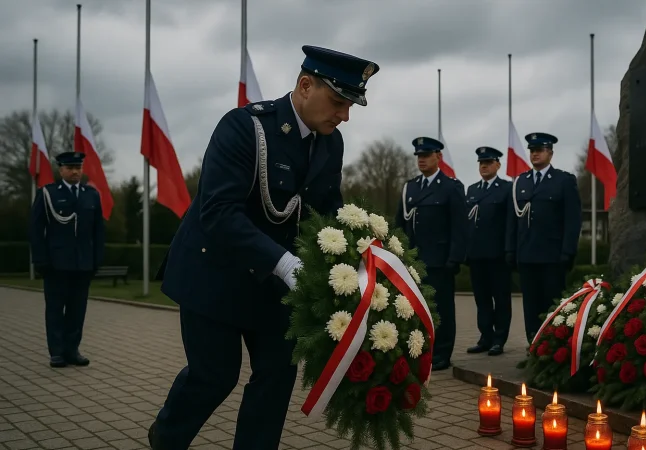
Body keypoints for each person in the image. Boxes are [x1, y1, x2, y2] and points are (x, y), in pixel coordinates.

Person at [147, 45, 380, 450]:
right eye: (339, 102)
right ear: (305, 85)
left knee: (276, 376)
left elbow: (326, 208)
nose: (344, 115)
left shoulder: (331, 142)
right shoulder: (243, 127)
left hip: (275, 286)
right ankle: (166, 438)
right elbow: (218, 212)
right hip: (214, 273)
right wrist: (285, 262)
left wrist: (363, 251)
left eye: (350, 106)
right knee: (214, 375)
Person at [395, 137, 467, 371]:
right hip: (414, 260)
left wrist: (454, 258)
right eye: (418, 156)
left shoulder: (451, 187)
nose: (421, 159)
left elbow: (459, 227)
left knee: (442, 309)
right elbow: (400, 225)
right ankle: (420, 351)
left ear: (439, 157)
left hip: (439, 261)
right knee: (415, 308)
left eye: (426, 155)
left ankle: (442, 354)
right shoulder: (411, 187)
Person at [29, 151, 105, 368]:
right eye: (70, 168)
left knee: (77, 310)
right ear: (61, 170)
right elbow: (36, 230)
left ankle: (73, 350)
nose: (75, 172)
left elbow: (98, 230)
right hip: (55, 264)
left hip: (82, 264)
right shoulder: (47, 194)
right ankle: (57, 352)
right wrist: (41, 260)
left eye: (78, 168)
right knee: (55, 309)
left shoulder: (91, 195)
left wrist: (97, 259)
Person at [505, 133, 581, 343]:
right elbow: (513, 221)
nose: (535, 154)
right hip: (527, 256)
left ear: (550, 153)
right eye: (532, 150)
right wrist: (510, 250)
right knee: (531, 306)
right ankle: (534, 345)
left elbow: (573, 220)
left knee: (553, 305)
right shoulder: (521, 181)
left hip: (552, 256)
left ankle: (554, 347)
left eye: (539, 150)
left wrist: (568, 251)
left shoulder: (563, 181)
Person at [464, 146, 512, 356]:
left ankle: (499, 339)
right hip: (476, 254)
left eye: (488, 163)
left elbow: (510, 222)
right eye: (481, 163)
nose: (484, 166)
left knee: (501, 299)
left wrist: (509, 250)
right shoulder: (472, 190)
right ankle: (486, 337)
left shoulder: (506, 188)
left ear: (497, 165)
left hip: (498, 255)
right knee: (481, 299)